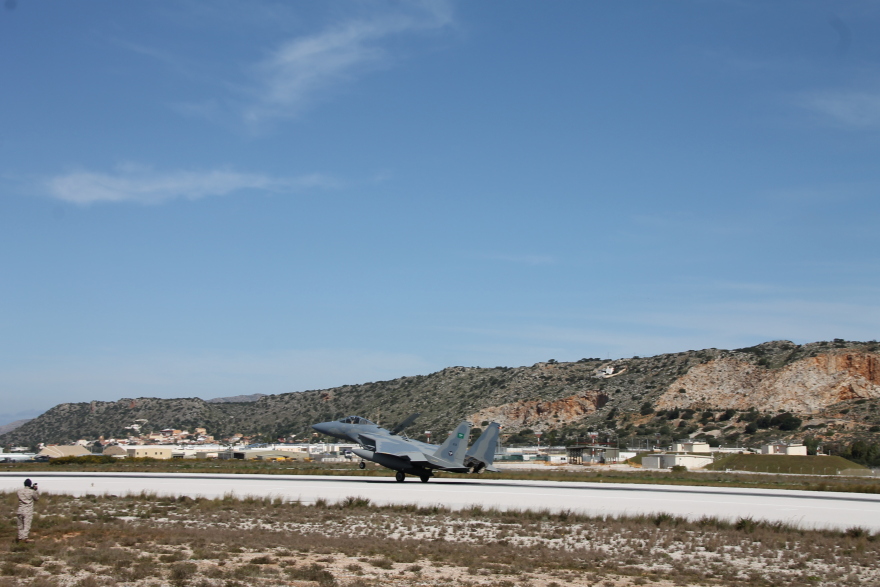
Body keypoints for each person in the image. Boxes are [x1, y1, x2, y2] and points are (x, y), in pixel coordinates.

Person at [16, 478, 39, 543]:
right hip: (28, 510)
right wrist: (34, 490)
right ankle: (24, 538)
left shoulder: (19, 491)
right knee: (27, 525)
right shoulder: (32, 492)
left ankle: (20, 538)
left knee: (20, 525)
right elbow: (36, 498)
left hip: (20, 510)